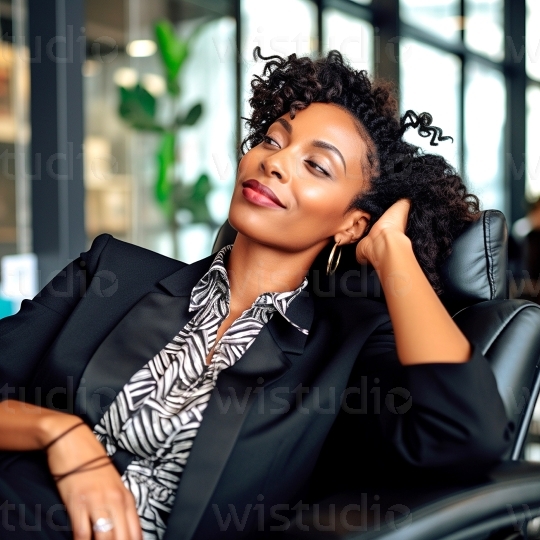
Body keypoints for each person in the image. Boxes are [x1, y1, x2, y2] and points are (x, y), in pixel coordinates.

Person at [0, 49, 511, 540]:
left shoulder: (344, 351)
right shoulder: (110, 272)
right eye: (272, 140)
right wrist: (58, 433)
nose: (275, 162)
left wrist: (394, 252)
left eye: (317, 166)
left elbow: (465, 434)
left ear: (353, 224)